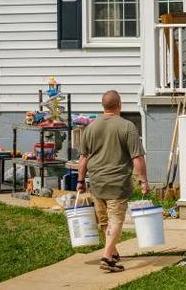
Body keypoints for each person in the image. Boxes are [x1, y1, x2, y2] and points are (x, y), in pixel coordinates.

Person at [77, 90, 149, 273]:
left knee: (104, 221)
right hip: (117, 183)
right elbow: (137, 158)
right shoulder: (127, 126)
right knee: (115, 220)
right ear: (119, 105)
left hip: (96, 182)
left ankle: (113, 252)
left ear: (103, 106)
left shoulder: (91, 127)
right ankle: (107, 257)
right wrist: (143, 181)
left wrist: (80, 181)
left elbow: (83, 158)